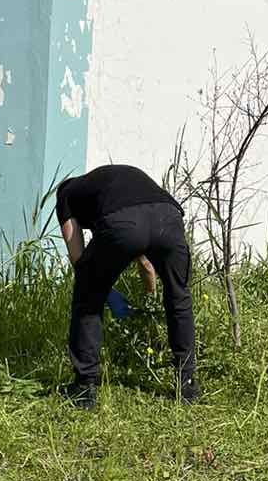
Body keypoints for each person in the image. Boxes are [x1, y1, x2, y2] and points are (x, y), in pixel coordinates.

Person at [56, 164, 198, 408]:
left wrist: (104, 292)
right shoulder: (116, 185)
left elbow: (78, 259)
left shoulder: (66, 195)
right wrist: (149, 300)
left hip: (125, 222)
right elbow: (145, 257)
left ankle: (84, 387)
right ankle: (187, 386)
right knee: (179, 297)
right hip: (169, 217)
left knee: (87, 297)